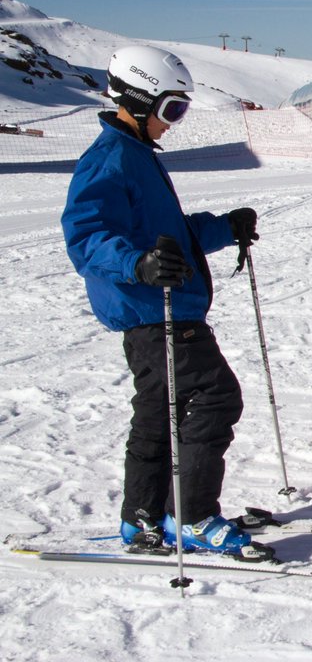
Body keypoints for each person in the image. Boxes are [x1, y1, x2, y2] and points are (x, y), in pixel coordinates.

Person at [61, 45, 265, 558]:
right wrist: (138, 265)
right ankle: (191, 518)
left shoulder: (135, 156)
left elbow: (170, 236)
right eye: (172, 109)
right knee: (215, 397)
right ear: (137, 98)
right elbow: (86, 237)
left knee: (160, 412)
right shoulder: (110, 159)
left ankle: (143, 518)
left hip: (158, 311)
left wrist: (224, 227)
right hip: (156, 311)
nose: (175, 123)